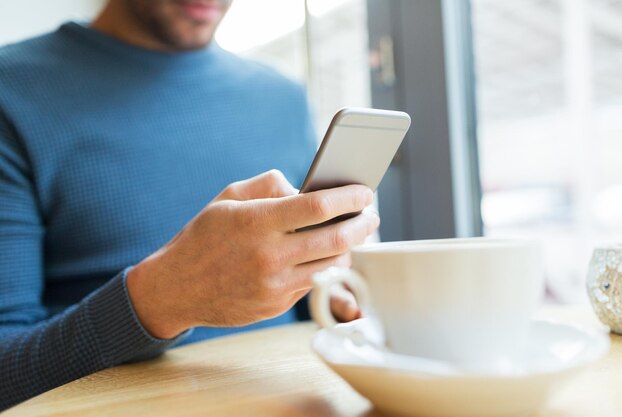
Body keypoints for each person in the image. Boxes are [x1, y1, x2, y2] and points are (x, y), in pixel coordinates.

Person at [0, 0, 379, 410]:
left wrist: (338, 287)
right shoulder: (12, 93)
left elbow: (310, 296)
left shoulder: (281, 98)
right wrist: (160, 299)